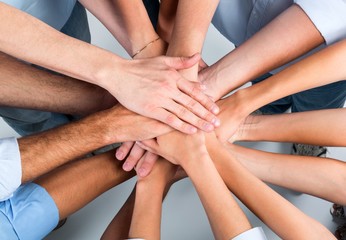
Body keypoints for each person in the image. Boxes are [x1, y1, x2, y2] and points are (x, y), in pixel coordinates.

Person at [0, 1, 220, 136]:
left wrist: (143, 43)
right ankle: (67, 168)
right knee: (33, 118)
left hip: (56, 8)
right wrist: (114, 71)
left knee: (83, 69)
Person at [201, 0, 346, 157]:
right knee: (262, 83)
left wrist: (239, 98)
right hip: (251, 32)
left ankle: (309, 137)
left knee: (317, 107)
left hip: (327, 63)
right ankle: (269, 109)